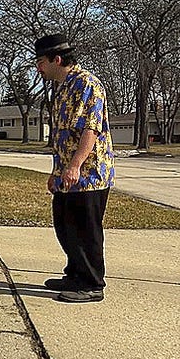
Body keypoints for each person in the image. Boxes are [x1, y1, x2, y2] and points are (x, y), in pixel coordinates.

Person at [35, 33, 115, 303]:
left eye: (41, 61)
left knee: (85, 230)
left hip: (89, 174)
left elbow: (90, 130)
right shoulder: (63, 87)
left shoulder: (87, 84)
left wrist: (75, 166)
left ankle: (92, 283)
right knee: (65, 227)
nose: (39, 67)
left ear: (57, 59)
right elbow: (62, 135)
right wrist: (57, 171)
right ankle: (75, 274)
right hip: (67, 174)